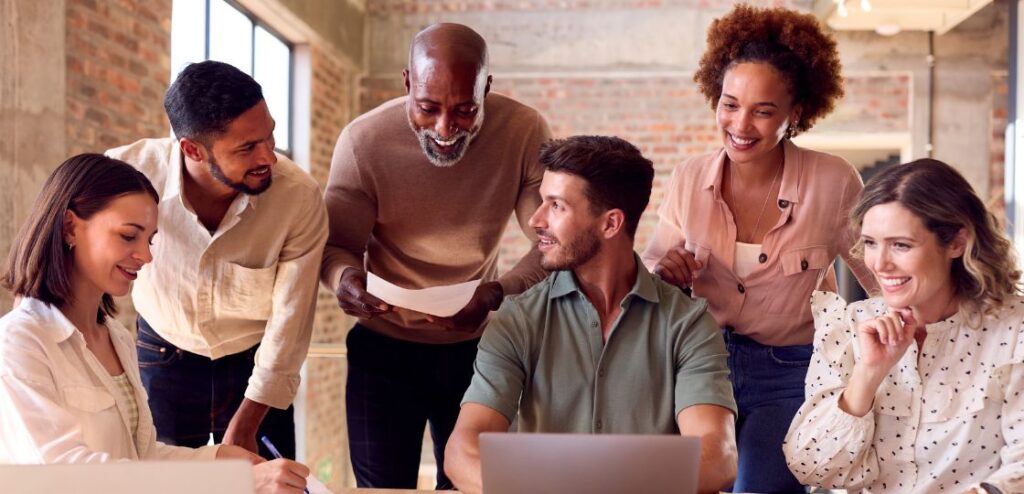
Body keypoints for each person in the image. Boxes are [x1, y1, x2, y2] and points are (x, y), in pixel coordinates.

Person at [641, 5, 878, 492]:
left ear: (795, 113)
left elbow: (880, 276)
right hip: (700, 366)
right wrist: (664, 270)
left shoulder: (833, 181)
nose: (740, 124)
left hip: (791, 371)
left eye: (763, 110)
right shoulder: (688, 178)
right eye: (729, 104)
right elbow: (650, 271)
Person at [321, 23, 551, 489]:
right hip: (381, 349)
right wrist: (345, 282)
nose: (446, 129)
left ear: (487, 89)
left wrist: (496, 294)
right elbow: (338, 246)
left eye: (466, 110)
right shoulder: (363, 141)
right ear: (407, 82)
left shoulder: (524, 132)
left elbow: (550, 241)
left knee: (474, 484)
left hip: (478, 349)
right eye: (427, 108)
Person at [444, 136, 738, 494]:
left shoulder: (688, 324)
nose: (537, 220)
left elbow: (717, 455)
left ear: (611, 224)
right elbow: (462, 451)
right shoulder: (518, 320)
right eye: (542, 203)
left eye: (556, 206)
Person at [0, 154, 309, 493]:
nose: (147, 256)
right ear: (70, 227)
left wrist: (220, 459)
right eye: (128, 236)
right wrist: (231, 480)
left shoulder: (115, 337)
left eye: (149, 239)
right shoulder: (19, 341)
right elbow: (66, 475)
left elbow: (141, 458)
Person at [105, 61, 328, 459]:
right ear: (191, 148)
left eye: (269, 136)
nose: (269, 158)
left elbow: (291, 320)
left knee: (266, 484)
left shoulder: (298, 197)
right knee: (164, 487)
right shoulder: (128, 174)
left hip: (255, 363)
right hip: (162, 353)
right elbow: (79, 257)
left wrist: (247, 421)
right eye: (247, 148)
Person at [784, 159, 1024, 494]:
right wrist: (868, 374)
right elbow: (811, 468)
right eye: (870, 242)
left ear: (957, 242)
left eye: (900, 245)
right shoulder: (851, 324)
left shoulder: (1015, 332)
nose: (879, 264)